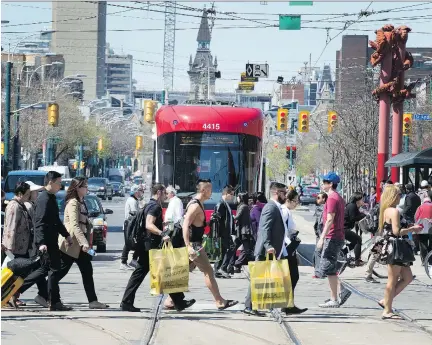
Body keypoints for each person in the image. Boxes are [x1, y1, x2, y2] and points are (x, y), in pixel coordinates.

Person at [120, 183, 194, 312]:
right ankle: (126, 302)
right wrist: (162, 233)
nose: (166, 195)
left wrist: (162, 224)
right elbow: (149, 224)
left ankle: (178, 301)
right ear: (159, 192)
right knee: (155, 273)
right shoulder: (155, 206)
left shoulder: (150, 205)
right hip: (150, 246)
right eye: (164, 193)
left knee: (161, 272)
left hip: (147, 245)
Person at [18, 171, 74, 311]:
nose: (60, 186)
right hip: (46, 242)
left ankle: (18, 291)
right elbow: (39, 222)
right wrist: (41, 242)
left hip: (51, 240)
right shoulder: (44, 199)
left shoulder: (51, 197)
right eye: (58, 183)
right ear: (50, 182)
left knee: (45, 269)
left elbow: (55, 220)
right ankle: (54, 302)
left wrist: (66, 235)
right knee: (53, 270)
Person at [182, 179, 238, 310]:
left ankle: (171, 300)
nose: (212, 191)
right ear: (203, 190)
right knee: (208, 271)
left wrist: (210, 222)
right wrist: (188, 246)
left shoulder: (199, 204)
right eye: (209, 189)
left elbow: (197, 225)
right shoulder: (195, 205)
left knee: (183, 272)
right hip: (194, 245)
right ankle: (219, 301)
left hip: (195, 243)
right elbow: (185, 225)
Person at [371, 185, 423, 319]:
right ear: (393, 196)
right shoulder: (394, 211)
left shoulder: (386, 210)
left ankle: (386, 302)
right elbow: (396, 232)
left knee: (408, 277)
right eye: (399, 194)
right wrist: (412, 229)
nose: (401, 197)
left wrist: (409, 226)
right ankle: (387, 310)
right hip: (396, 247)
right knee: (392, 280)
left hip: (394, 247)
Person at [58, 177, 109, 309]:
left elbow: (84, 223)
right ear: (77, 188)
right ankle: (43, 293)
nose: (87, 188)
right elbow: (74, 226)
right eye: (85, 186)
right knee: (60, 271)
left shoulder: (82, 202)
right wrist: (84, 243)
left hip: (80, 245)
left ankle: (93, 301)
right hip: (72, 244)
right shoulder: (73, 203)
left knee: (87, 270)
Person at [317, 172, 352, 308]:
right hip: (337, 236)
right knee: (329, 267)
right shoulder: (338, 197)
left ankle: (335, 297)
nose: (322, 184)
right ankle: (338, 294)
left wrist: (322, 238)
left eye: (325, 182)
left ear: (331, 184)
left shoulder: (332, 198)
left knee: (328, 267)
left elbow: (330, 219)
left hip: (332, 236)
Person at [280, 189, 308, 315]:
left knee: (291, 276)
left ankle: (288, 304)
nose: (297, 204)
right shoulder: (285, 211)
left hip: (287, 247)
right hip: (286, 248)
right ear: (289, 200)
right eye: (295, 201)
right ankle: (287, 305)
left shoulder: (286, 211)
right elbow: (284, 230)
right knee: (293, 276)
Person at [213, 185, 235, 278]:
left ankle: (218, 269)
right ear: (226, 194)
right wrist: (218, 234)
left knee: (223, 250)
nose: (232, 197)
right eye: (232, 194)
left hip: (226, 233)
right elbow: (218, 220)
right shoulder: (221, 204)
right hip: (223, 233)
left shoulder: (225, 203)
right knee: (229, 249)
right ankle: (222, 268)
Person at [120, 185, 143, 270]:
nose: (141, 192)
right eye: (140, 190)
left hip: (132, 225)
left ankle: (133, 260)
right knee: (128, 244)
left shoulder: (135, 200)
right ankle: (123, 262)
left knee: (134, 243)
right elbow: (135, 213)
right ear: (136, 192)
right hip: (130, 226)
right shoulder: (132, 201)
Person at [343, 192, 366, 266]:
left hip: (345, 228)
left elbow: (357, 216)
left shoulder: (354, 206)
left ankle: (342, 252)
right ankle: (357, 261)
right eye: (362, 198)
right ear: (358, 199)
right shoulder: (352, 206)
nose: (363, 200)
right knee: (358, 240)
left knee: (354, 242)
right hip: (343, 229)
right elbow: (353, 218)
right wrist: (363, 215)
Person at [233, 192, 254, 271]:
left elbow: (237, 217)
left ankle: (236, 264)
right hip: (243, 231)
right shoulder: (244, 206)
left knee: (245, 249)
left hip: (244, 232)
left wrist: (232, 217)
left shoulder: (243, 207)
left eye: (238, 197)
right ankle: (234, 264)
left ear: (241, 198)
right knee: (237, 247)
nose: (236, 198)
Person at [414, 190, 432, 263]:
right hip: (431, 228)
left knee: (423, 244)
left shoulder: (420, 207)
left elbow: (416, 217)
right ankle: (430, 260)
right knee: (431, 244)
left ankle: (424, 260)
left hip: (422, 228)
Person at [313, 192, 328, 278]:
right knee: (318, 252)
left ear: (324, 199)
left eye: (319, 198)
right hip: (319, 233)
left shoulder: (323, 208)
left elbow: (322, 223)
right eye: (317, 197)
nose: (317, 199)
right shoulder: (319, 208)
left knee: (319, 252)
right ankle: (319, 271)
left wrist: (321, 235)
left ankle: (319, 271)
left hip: (322, 233)